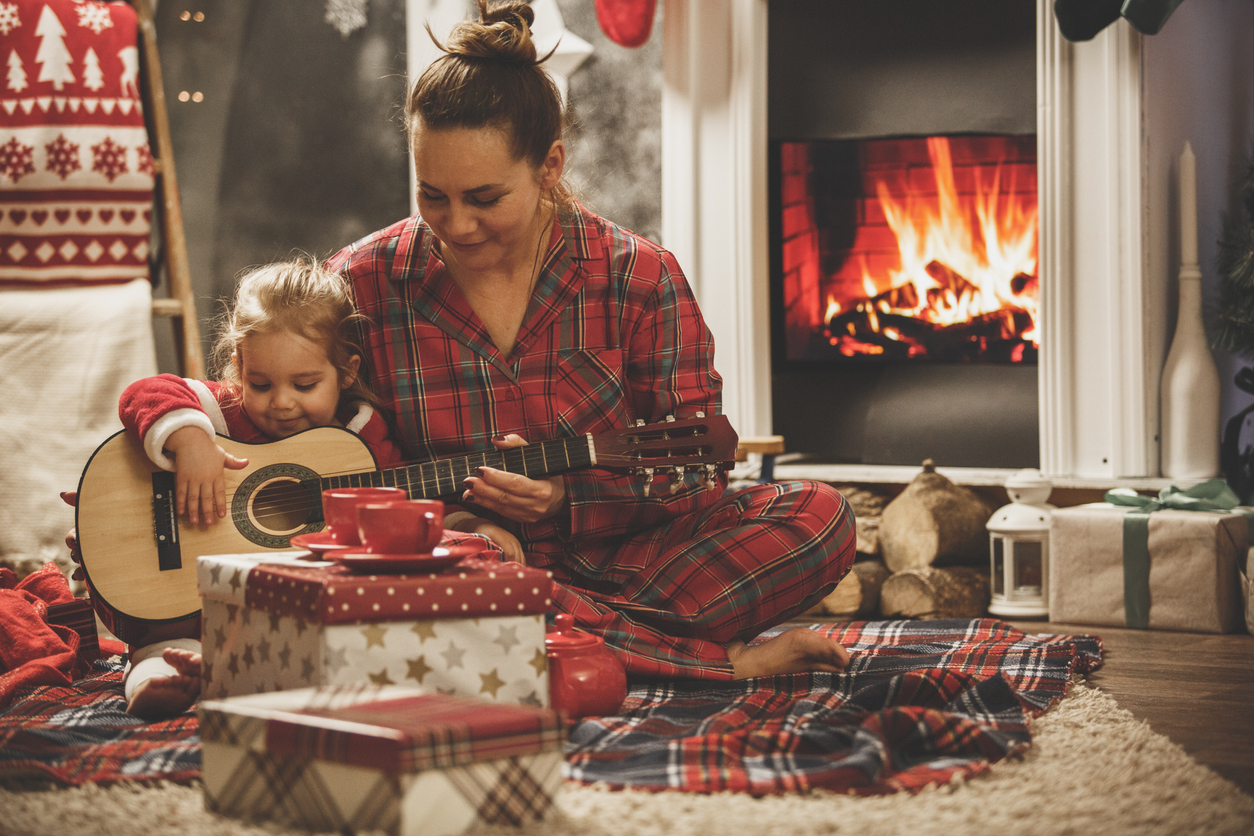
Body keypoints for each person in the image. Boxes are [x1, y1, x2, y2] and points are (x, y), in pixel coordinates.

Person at [328, 0, 858, 682]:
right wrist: (181, 424)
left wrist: (566, 503)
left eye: (485, 198)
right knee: (467, 561)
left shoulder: (639, 276)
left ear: (549, 165)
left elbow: (696, 471)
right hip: (452, 559)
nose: (456, 225)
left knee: (820, 515)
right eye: (433, 195)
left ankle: (541, 630)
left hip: (627, 560)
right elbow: (258, 409)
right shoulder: (362, 284)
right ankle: (704, 662)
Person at [108, 257, 520, 718]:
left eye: (305, 385)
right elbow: (143, 392)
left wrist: (470, 521)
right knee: (161, 643)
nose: (281, 402)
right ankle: (158, 679)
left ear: (345, 373)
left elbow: (406, 504)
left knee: (333, 637)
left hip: (277, 617)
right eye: (259, 383)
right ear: (238, 365)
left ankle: (224, 670)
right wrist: (190, 439)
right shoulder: (217, 412)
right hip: (181, 601)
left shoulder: (360, 435)